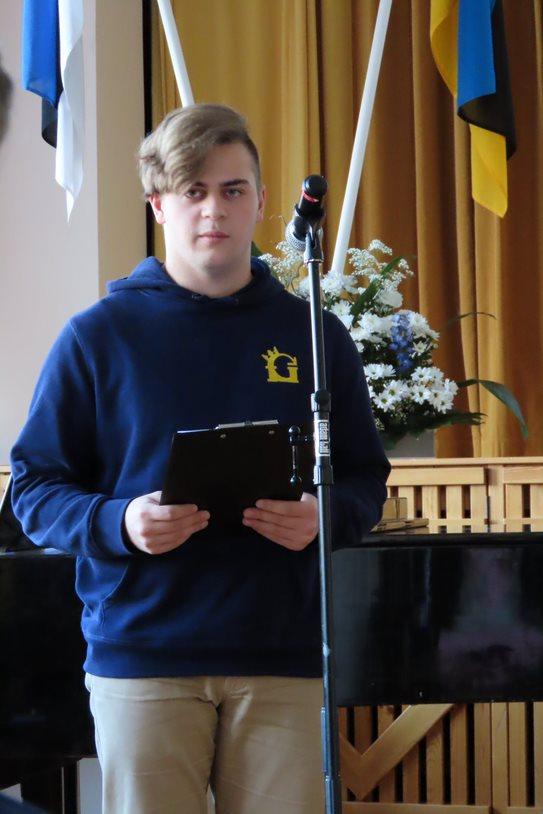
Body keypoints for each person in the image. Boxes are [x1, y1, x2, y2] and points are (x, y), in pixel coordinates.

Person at [11, 104, 390, 814]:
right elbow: (33, 488)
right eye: (193, 191)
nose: (214, 209)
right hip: (145, 653)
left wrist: (324, 515)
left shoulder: (315, 334)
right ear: (158, 204)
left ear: (261, 202)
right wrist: (120, 522)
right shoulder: (98, 337)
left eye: (232, 189)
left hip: (283, 651)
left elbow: (367, 477)